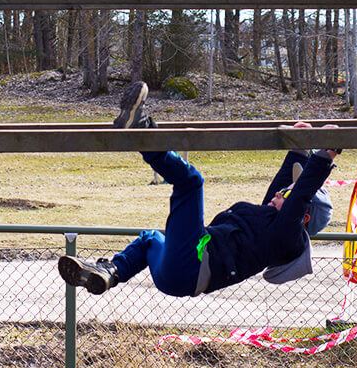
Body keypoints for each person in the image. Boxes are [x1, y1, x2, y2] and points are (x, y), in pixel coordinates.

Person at [58, 81, 341, 297]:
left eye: (286, 196)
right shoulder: (272, 223)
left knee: (191, 182)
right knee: (150, 239)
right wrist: (299, 148)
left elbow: (300, 195)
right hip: (177, 279)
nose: (279, 194)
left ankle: (142, 131)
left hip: (194, 263)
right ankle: (109, 273)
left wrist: (326, 154)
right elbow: (286, 191)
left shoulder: (286, 238)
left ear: (303, 217)